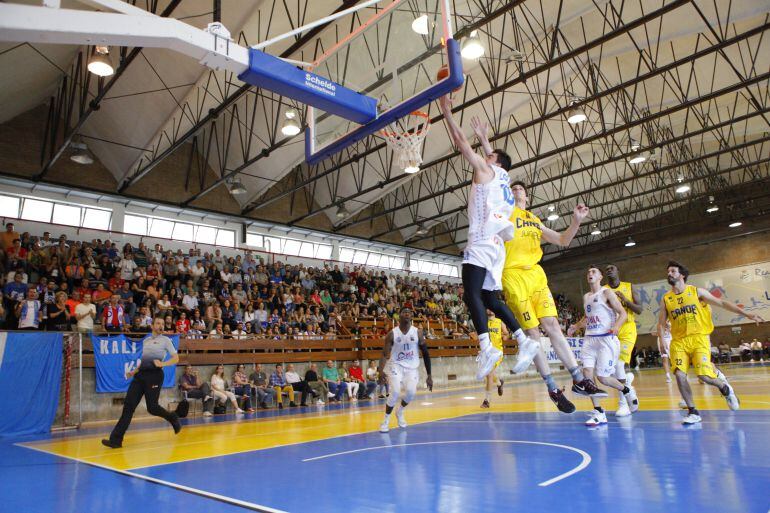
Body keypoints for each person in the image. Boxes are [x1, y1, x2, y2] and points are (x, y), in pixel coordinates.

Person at [438, 97, 538, 381]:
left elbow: (460, 142)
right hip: (497, 246)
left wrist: (447, 112)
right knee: (489, 297)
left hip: (481, 240)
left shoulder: (486, 170)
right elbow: (495, 159)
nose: (485, 156)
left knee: (471, 294)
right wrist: (485, 139)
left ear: (493, 162)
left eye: (489, 155)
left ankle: (487, 346)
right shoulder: (503, 180)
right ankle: (523, 337)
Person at [499, 178, 605, 414]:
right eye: (512, 189)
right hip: (513, 275)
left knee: (553, 325)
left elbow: (563, 240)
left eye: (520, 189)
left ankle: (578, 379)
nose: (516, 191)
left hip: (536, 275)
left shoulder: (535, 221)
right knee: (533, 334)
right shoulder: (503, 212)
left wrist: (576, 222)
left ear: (527, 197)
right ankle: (552, 388)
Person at [658, 261, 763, 424]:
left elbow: (722, 303)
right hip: (678, 341)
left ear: (682, 275)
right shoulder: (666, 299)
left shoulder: (696, 292)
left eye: (673, 271)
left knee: (704, 376)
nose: (669, 274)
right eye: (668, 271)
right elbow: (661, 323)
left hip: (699, 338)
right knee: (679, 375)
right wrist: (662, 339)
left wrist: (747, 314)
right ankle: (693, 411)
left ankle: (724, 388)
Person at [102, 317, 181, 448]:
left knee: (152, 407)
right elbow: (144, 361)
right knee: (128, 406)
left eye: (162, 324)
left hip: (155, 376)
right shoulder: (147, 340)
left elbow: (176, 358)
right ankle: (116, 440)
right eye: (158, 323)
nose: (161, 326)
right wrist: (133, 372)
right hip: (140, 376)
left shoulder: (166, 340)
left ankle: (172, 417)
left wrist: (163, 363)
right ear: (152, 325)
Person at [580, 265, 639, 426]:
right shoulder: (586, 297)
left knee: (603, 378)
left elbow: (623, 313)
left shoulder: (606, 293)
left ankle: (626, 390)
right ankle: (598, 411)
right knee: (587, 375)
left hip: (606, 339)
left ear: (600, 277)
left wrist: (617, 326)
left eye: (593, 272)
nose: (590, 274)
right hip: (590, 339)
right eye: (588, 272)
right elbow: (587, 317)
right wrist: (575, 326)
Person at [378, 308, 433, 433]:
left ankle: (400, 411)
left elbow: (426, 353)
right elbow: (383, 354)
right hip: (395, 365)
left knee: (410, 393)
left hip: (412, 368)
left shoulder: (418, 333)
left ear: (411, 316)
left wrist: (429, 375)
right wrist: (380, 371)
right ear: (399, 317)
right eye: (404, 312)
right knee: (395, 392)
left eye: (409, 312)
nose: (407, 313)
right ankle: (385, 420)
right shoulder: (392, 334)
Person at [603, 264, 643, 416]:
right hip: (611, 330)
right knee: (613, 369)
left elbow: (639, 310)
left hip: (627, 329)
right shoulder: (603, 291)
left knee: (619, 364)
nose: (609, 270)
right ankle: (627, 382)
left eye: (612, 268)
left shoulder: (629, 287)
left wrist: (625, 300)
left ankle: (623, 404)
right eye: (607, 269)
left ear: (618, 271)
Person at [481, 310, 506, 408]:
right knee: (489, 374)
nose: (489, 310)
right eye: (487, 308)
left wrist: (504, 336)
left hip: (497, 352)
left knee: (489, 374)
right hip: (487, 352)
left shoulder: (500, 322)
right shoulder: (484, 323)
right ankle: (499, 382)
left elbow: (506, 333)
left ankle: (487, 400)